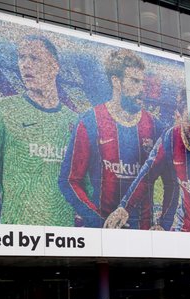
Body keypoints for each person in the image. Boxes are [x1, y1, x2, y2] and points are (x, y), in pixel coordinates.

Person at [0, 35, 78, 226]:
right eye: (21, 57)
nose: (25, 64)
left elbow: (85, 185)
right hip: (17, 239)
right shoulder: (1, 111)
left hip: (66, 241)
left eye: (34, 58)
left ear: (54, 66)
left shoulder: (74, 121)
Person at [59, 49, 162, 228]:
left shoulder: (154, 126)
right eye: (134, 81)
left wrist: (164, 223)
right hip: (101, 232)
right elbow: (69, 180)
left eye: (142, 82)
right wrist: (97, 220)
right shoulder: (90, 121)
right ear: (116, 81)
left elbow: (171, 179)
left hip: (144, 235)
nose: (141, 89)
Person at [104, 108, 190, 234]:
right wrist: (124, 208)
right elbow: (147, 174)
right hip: (186, 229)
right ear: (178, 116)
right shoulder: (170, 138)